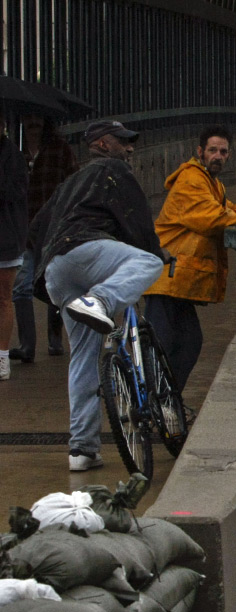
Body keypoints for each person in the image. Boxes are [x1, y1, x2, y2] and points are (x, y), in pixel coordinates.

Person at [32, 120, 169, 471]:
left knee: (82, 358)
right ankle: (103, 300)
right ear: (103, 145)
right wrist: (157, 252)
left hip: (55, 267)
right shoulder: (112, 169)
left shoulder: (67, 185)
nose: (131, 148)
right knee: (147, 261)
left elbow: (36, 227)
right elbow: (138, 221)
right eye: (123, 141)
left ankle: (82, 449)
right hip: (86, 250)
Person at [143, 125, 236, 394]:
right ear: (200, 152)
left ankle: (166, 400)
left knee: (188, 342)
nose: (218, 155)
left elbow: (228, 208)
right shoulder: (191, 180)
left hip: (180, 280)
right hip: (167, 276)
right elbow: (212, 219)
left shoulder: (212, 184)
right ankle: (153, 403)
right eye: (212, 150)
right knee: (164, 345)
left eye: (223, 151)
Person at [10, 114, 78, 362]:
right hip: (23, 227)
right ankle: (27, 345)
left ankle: (54, 337)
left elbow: (74, 182)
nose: (33, 123)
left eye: (38, 119)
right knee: (21, 284)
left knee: (54, 281)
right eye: (29, 120)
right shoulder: (14, 151)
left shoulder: (60, 149)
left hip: (54, 225)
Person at [0, 112, 29, 381]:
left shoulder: (14, 158)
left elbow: (14, 192)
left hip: (5, 239)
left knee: (4, 298)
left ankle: (2, 357)